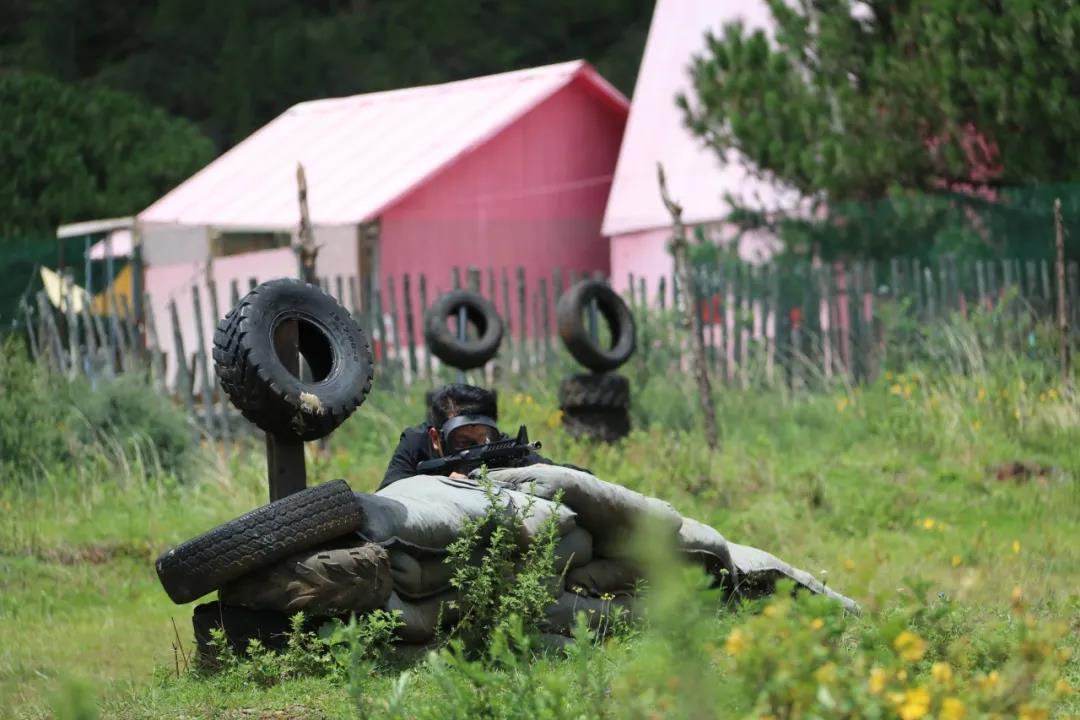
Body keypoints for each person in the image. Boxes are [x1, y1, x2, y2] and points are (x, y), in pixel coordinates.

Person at [379, 383, 565, 490]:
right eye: (463, 442)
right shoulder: (417, 442)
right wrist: (442, 486)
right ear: (435, 438)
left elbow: (573, 475)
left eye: (484, 438)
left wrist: (546, 471)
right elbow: (388, 494)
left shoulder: (502, 448)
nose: (478, 446)